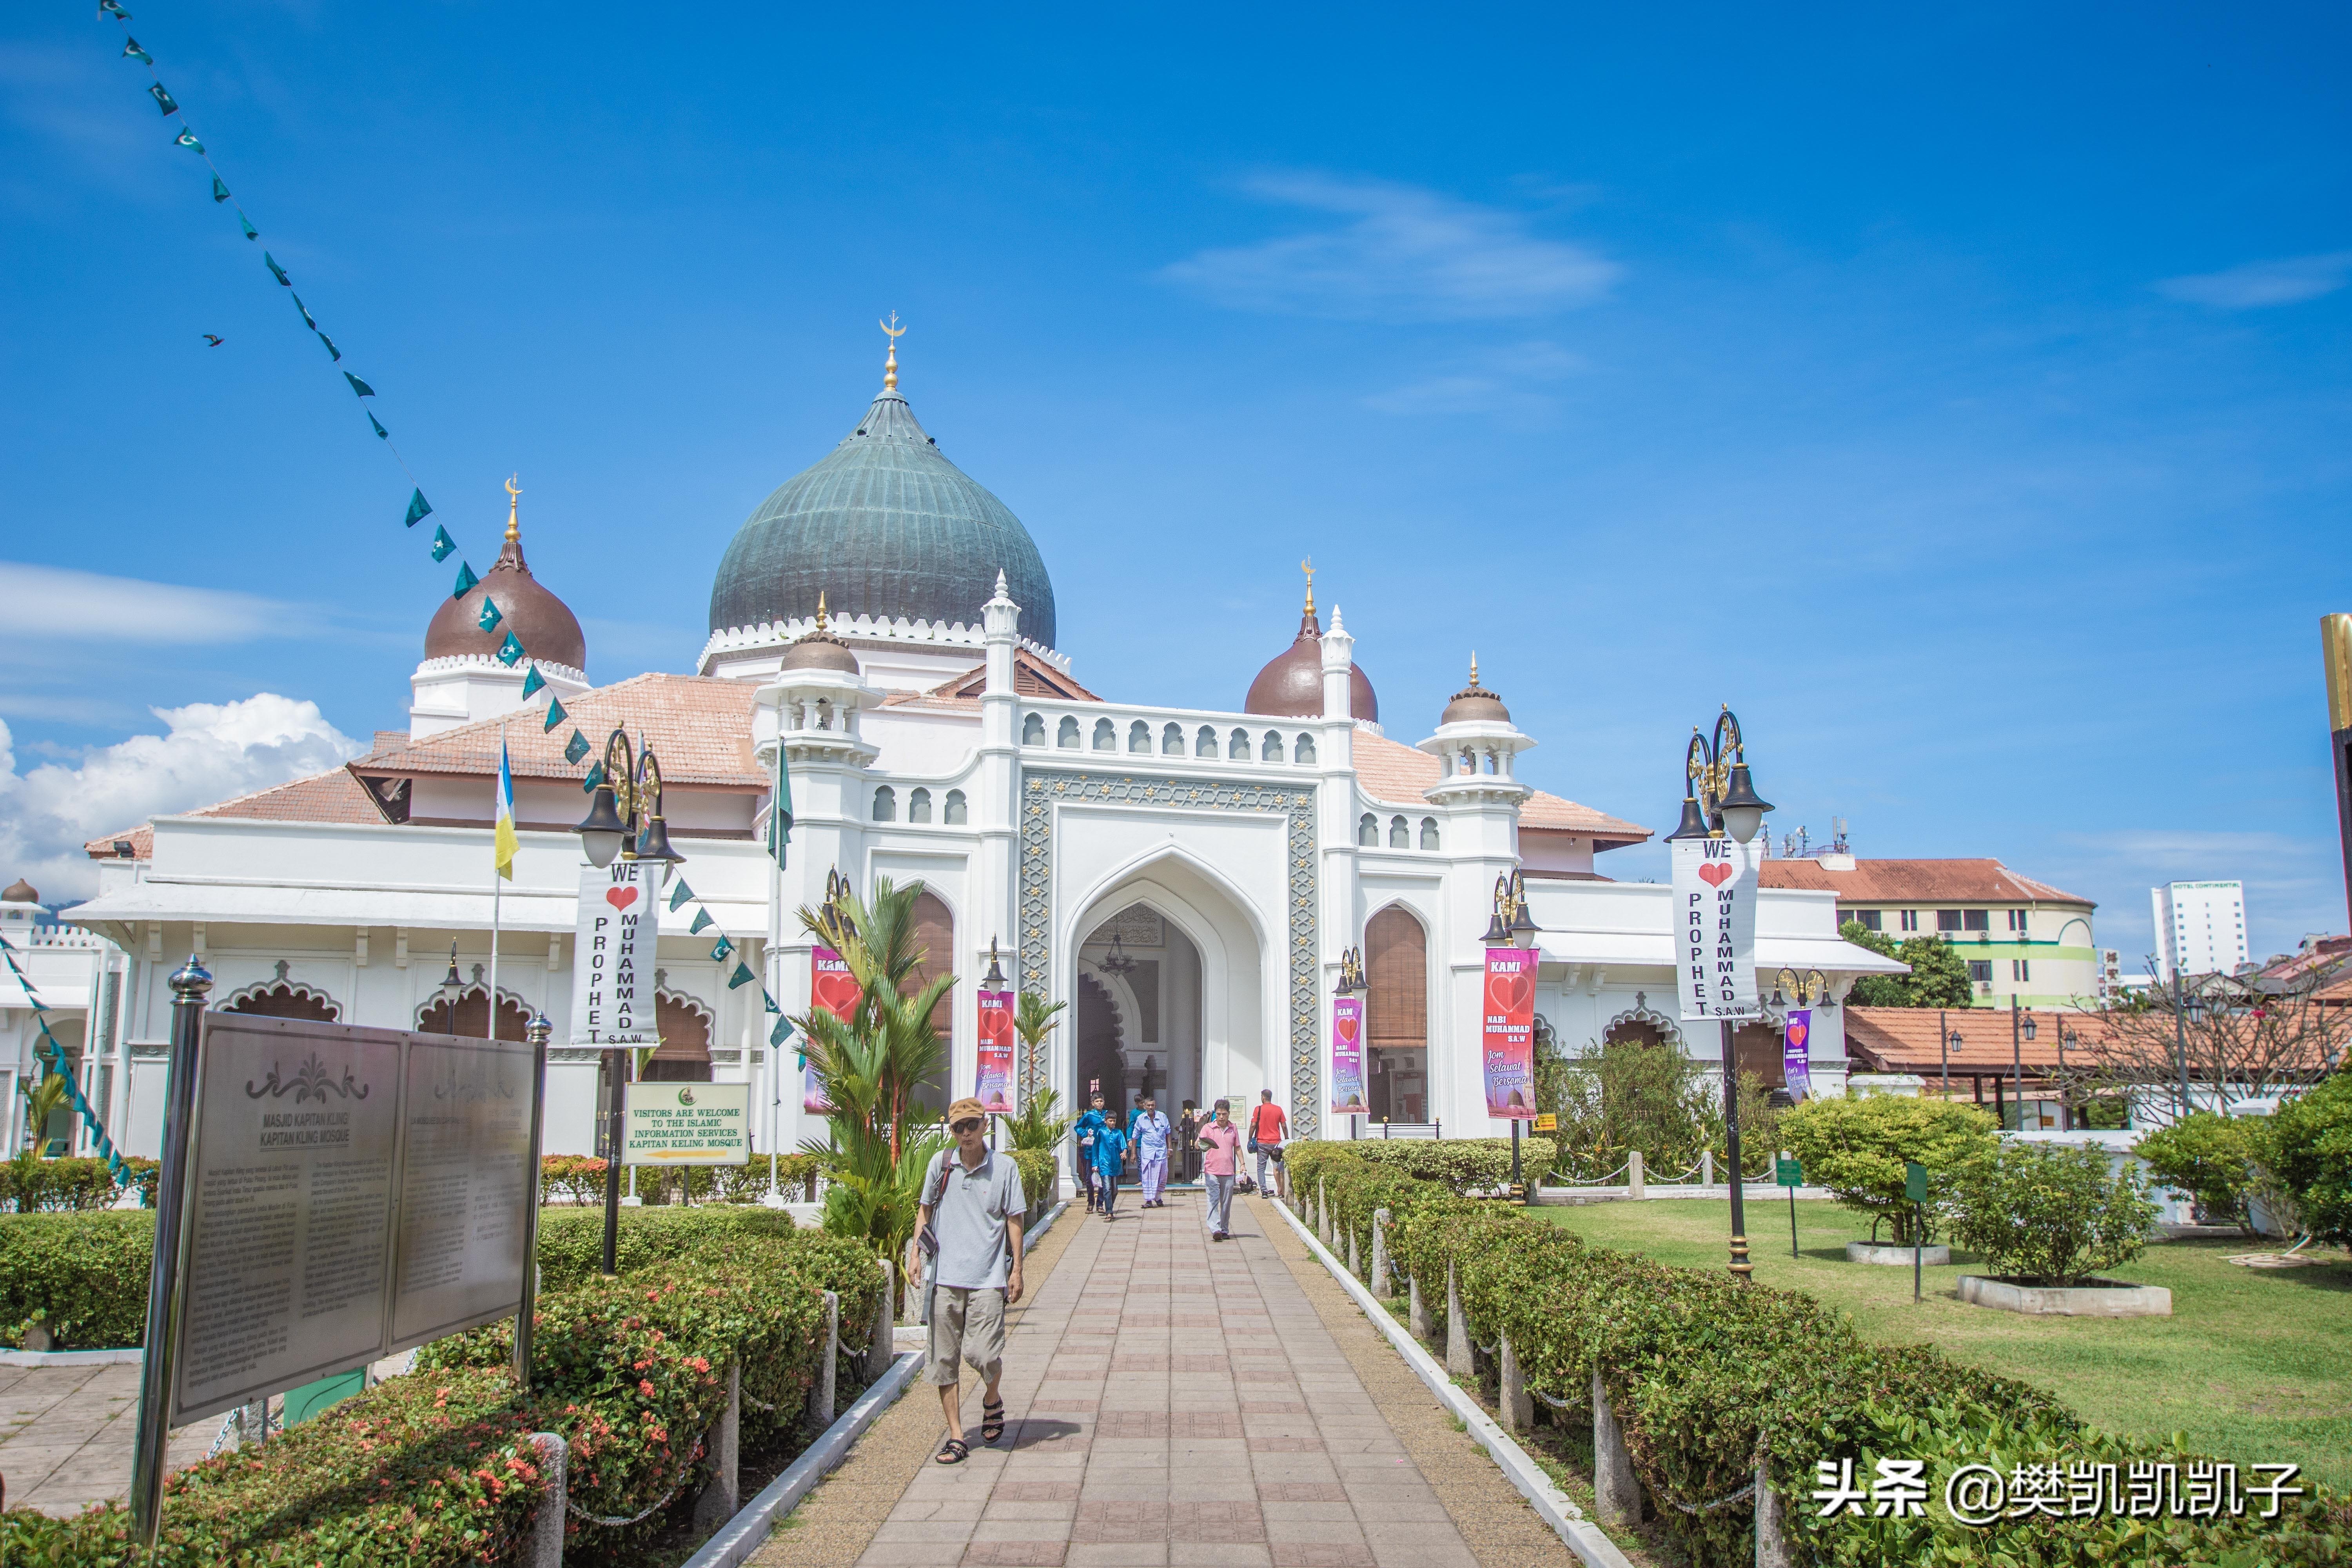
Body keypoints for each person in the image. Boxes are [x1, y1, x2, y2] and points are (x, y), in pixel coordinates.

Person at [914, 1097, 1026, 1465]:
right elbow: (925, 1209)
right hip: (945, 1277)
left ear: (985, 1126)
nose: (965, 1134)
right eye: (958, 1128)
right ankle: (957, 1436)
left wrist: (1017, 1269)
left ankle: (992, 1397)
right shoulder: (941, 1164)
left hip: (988, 1277)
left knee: (984, 1353)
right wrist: (917, 1255)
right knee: (944, 1360)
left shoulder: (1005, 1168)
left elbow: (1014, 1220)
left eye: (971, 1126)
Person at [1197, 1098, 1241, 1241]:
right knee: (1213, 1200)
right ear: (1216, 1113)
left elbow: (1237, 1147)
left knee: (1226, 1202)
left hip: (1228, 1171)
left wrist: (1243, 1164)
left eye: (1225, 1114)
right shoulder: (1208, 1128)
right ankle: (1215, 1229)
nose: (1222, 1117)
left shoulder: (1233, 1128)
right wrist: (1200, 1144)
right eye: (1219, 1114)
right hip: (1212, 1171)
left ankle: (1224, 1229)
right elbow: (1199, 1145)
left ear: (1229, 1114)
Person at [1131, 1095, 1172, 1207]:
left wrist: (1170, 1148)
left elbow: (1168, 1133)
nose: (1151, 1107)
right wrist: (1134, 1153)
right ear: (1144, 1106)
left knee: (1162, 1175)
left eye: (1152, 1105)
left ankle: (1158, 1197)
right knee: (1147, 1176)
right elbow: (1135, 1136)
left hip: (1161, 1152)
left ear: (1156, 1106)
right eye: (1148, 1105)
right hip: (1148, 1153)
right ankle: (1149, 1201)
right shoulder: (1141, 1119)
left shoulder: (1163, 1116)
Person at [1249, 1089, 1290, 1201]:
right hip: (1276, 1143)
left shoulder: (1259, 1109)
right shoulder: (1278, 1109)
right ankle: (1281, 1190)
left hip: (1262, 1143)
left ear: (1263, 1097)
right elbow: (1284, 1126)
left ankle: (1264, 1191)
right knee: (1279, 1168)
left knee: (1261, 1168)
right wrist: (1286, 1139)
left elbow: (1253, 1125)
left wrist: (1250, 1138)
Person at [1091, 1109, 1129, 1221]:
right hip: (1104, 1164)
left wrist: (1125, 1152)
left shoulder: (1119, 1133)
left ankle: (1109, 1207)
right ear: (1106, 1121)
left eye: (1114, 1121)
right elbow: (1095, 1148)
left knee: (1115, 1190)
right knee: (1107, 1188)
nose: (1112, 1123)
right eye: (1110, 1121)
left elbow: (1124, 1146)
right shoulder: (1100, 1133)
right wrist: (1095, 1163)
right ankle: (1109, 1212)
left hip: (1115, 1164)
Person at [1073, 1093, 1109, 1213]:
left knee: (1104, 1176)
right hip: (1091, 1149)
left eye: (1101, 1101)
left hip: (1104, 1149)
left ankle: (1100, 1203)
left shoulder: (1107, 1114)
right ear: (1093, 1103)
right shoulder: (1089, 1115)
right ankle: (1090, 1202)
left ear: (1104, 1102)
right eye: (1097, 1101)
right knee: (1089, 1178)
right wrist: (1086, 1133)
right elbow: (1078, 1127)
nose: (1099, 1103)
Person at [1176, 1100, 1199, 1184]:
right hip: (1186, 1142)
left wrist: (1180, 1129)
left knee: (1190, 1161)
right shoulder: (1187, 1116)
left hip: (1189, 1141)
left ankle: (1190, 1177)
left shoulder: (1191, 1117)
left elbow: (1188, 1128)